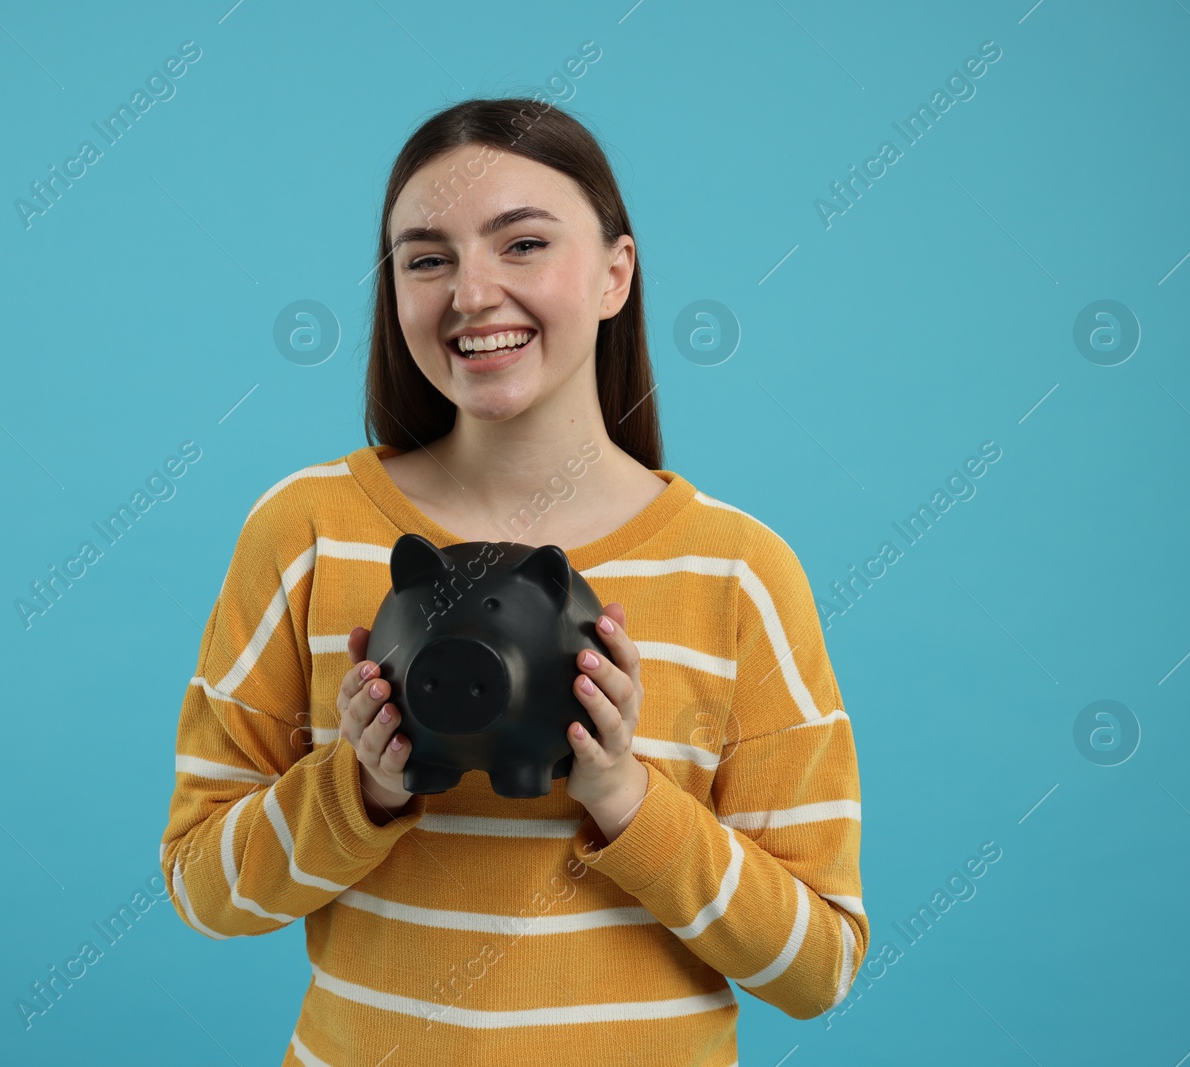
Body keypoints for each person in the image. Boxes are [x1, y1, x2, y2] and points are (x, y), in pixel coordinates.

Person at [160, 96, 866, 1066]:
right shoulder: (306, 531)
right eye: (426, 258)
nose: (471, 293)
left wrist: (624, 793)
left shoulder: (738, 572)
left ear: (617, 272)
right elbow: (204, 890)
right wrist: (358, 787)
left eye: (522, 243)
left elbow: (815, 965)